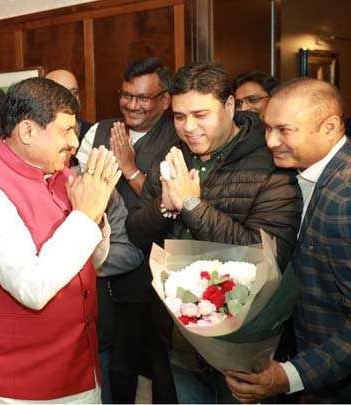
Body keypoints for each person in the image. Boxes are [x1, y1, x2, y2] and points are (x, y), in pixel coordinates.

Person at [126, 62, 302, 403]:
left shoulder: (269, 163)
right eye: (179, 117)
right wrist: (164, 206)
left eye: (200, 115)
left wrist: (191, 205)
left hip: (245, 340)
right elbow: (136, 232)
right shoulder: (172, 155)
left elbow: (267, 256)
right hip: (179, 336)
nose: (189, 127)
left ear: (230, 106)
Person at [0, 77, 120, 403]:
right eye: (65, 130)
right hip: (17, 383)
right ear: (28, 131)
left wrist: (96, 215)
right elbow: (32, 287)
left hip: (79, 366)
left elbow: (94, 262)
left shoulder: (63, 176)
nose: (74, 141)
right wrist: (84, 216)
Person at [225, 78, 351, 403]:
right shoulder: (300, 174)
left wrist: (291, 376)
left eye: (284, 130)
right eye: (268, 128)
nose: (270, 141)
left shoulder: (345, 198)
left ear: (330, 127)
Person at [77, 57, 180, 403]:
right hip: (109, 267)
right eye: (126, 95)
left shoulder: (179, 136)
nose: (132, 105)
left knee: (163, 364)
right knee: (116, 362)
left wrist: (129, 167)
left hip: (161, 266)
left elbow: (171, 202)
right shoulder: (99, 131)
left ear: (165, 101)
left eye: (143, 98)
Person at [45, 69, 92, 139]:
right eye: (62, 93)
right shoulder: (37, 135)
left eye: (74, 92)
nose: (71, 99)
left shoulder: (92, 134)